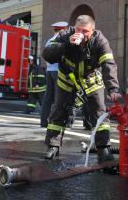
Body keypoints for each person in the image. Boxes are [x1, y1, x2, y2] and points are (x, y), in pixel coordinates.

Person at [42, 15, 121, 161]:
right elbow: (47, 55)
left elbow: (108, 64)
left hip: (90, 81)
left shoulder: (100, 40)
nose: (81, 34)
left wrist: (113, 89)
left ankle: (103, 148)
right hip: (67, 80)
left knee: (99, 112)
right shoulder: (65, 35)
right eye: (78, 30)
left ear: (93, 30)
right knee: (59, 111)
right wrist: (66, 45)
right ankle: (52, 146)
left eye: (85, 31)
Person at [40, 21, 68, 127]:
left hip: (49, 71)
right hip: (58, 71)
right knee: (58, 97)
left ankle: (43, 121)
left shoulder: (49, 41)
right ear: (62, 30)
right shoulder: (60, 40)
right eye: (65, 30)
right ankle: (55, 121)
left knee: (47, 97)